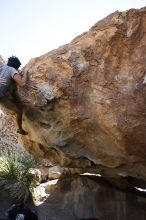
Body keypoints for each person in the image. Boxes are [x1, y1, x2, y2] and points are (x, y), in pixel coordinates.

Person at [0, 56, 28, 135]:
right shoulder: (11, 70)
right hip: (1, 97)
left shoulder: (3, 67)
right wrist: (25, 73)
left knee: (11, 87)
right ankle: (20, 129)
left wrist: (17, 74)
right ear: (16, 67)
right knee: (19, 111)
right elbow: (22, 83)